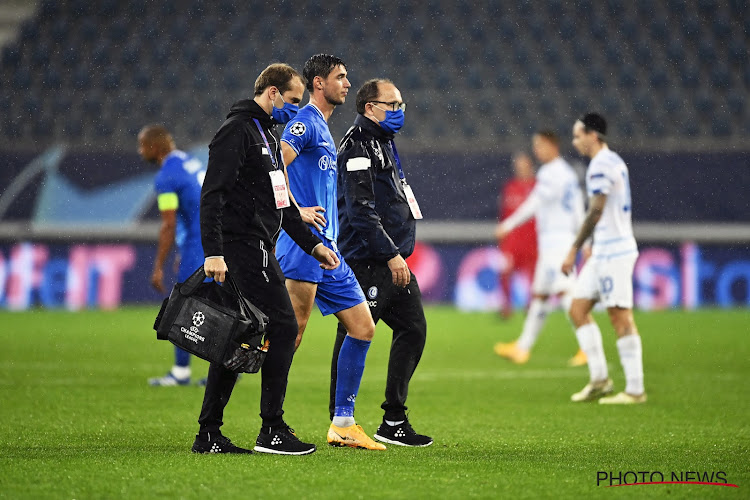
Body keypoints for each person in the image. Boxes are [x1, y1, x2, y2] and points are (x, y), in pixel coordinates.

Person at [195, 63, 340, 455]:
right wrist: (214, 251)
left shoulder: (268, 138)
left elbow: (284, 205)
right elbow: (213, 194)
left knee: (238, 336)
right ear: (272, 93)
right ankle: (271, 429)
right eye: (293, 101)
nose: (297, 109)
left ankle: (209, 433)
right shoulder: (238, 131)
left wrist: (314, 245)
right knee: (283, 327)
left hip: (259, 247)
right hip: (241, 248)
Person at [276, 54, 385, 451]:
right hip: (303, 245)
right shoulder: (304, 121)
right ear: (318, 83)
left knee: (363, 327)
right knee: (293, 332)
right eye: (340, 77)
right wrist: (294, 209)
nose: (347, 84)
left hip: (329, 250)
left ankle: (342, 422)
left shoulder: (323, 127)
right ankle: (271, 421)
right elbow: (274, 163)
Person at [333, 78, 432, 447]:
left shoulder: (382, 143)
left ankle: (393, 419)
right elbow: (360, 211)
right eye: (392, 105)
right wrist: (391, 255)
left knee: (413, 329)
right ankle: (341, 421)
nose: (399, 111)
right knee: (354, 335)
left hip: (390, 259)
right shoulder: (359, 146)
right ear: (369, 108)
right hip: (369, 260)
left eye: (401, 104)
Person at [562, 113, 646, 404]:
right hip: (602, 250)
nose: (575, 142)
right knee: (578, 309)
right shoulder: (613, 162)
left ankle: (635, 390)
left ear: (592, 134)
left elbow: (597, 210)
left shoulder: (600, 165)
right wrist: (592, 244)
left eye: (577, 135)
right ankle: (600, 379)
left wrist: (575, 246)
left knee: (620, 317)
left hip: (616, 252)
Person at [494, 130, 587, 366]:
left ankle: (588, 347)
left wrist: (508, 224)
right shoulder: (566, 173)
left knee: (566, 292)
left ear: (551, 145)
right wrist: (584, 240)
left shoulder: (549, 173)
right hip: (555, 240)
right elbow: (578, 207)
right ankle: (523, 348)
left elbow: (534, 202)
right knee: (541, 295)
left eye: (539, 146)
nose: (536, 151)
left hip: (557, 241)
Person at [138, 125, 206, 386]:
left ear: (154, 147)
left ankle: (181, 372)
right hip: (210, 237)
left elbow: (168, 224)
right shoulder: (187, 161)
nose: (140, 150)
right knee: (215, 303)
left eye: (142, 145)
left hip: (199, 241)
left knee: (182, 304)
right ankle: (221, 371)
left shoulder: (166, 177)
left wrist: (157, 267)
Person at [497, 152, 537, 318]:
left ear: (530, 165)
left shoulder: (538, 187)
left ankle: (531, 307)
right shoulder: (510, 186)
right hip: (512, 239)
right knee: (505, 272)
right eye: (518, 165)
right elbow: (504, 213)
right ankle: (506, 306)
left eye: (523, 164)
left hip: (532, 238)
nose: (520, 168)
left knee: (533, 276)